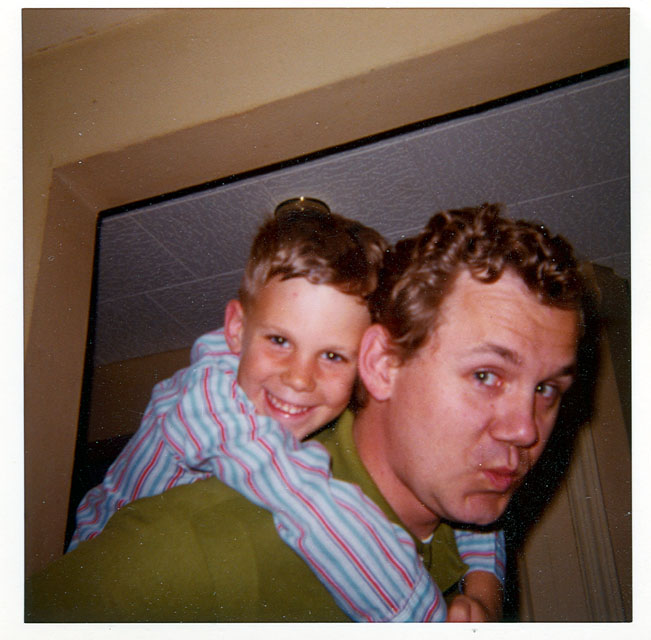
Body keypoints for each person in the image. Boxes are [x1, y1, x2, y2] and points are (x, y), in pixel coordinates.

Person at [25, 202, 582, 622]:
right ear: (382, 365)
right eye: (486, 375)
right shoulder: (185, 547)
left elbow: (481, 521)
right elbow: (309, 503)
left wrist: (484, 587)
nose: (524, 430)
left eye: (547, 389)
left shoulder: (447, 501)